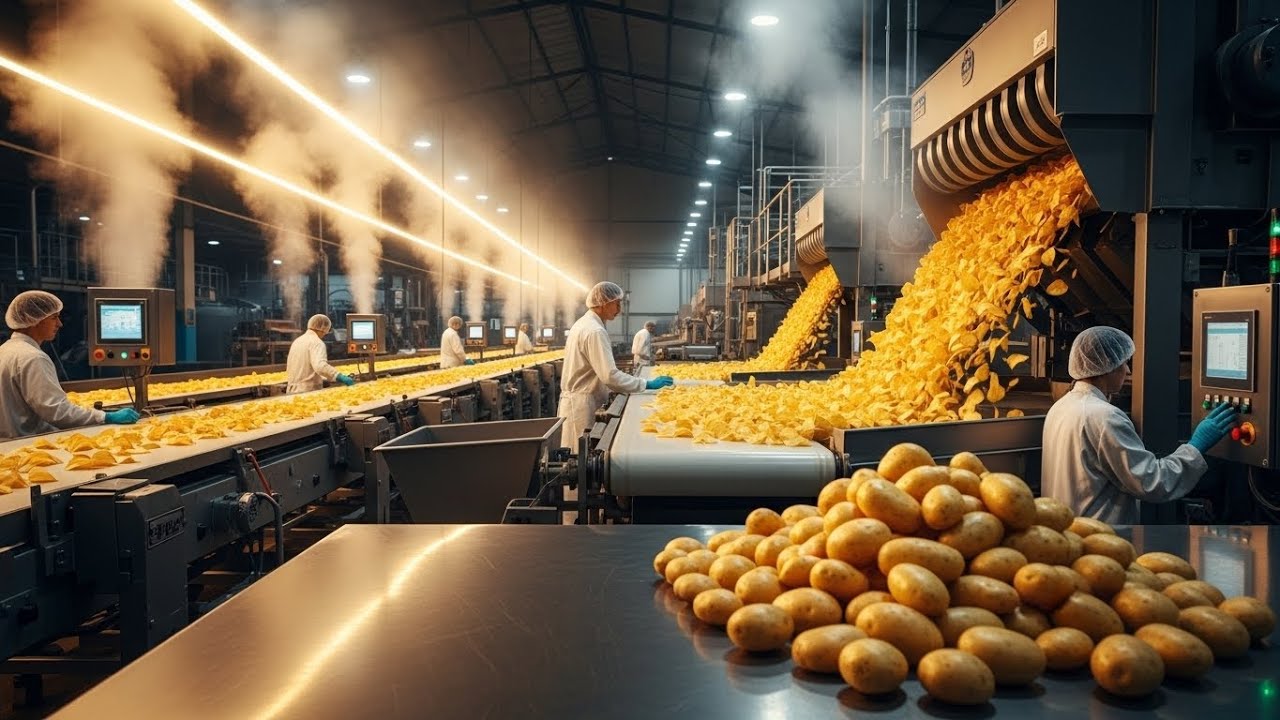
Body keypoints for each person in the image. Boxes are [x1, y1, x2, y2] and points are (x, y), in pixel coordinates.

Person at [1041, 326, 1238, 525]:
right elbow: (1152, 482)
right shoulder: (1105, 417)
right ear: (1108, 367)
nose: (1128, 370)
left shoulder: (1061, 407)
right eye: (1124, 363)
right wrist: (1195, 447)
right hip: (1098, 535)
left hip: (1066, 529)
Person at [0, 290, 139, 439]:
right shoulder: (33, 358)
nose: (59, 324)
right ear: (35, 321)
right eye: (54, 318)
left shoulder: (5, 350)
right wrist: (104, 417)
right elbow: (57, 412)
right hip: (27, 445)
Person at [558, 282, 673, 447]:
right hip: (582, 405)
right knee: (581, 460)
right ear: (604, 303)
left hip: (579, 399)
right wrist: (646, 384)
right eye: (616, 303)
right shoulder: (595, 331)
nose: (619, 309)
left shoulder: (584, 324)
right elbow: (610, 375)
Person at [285, 314, 354, 394]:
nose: (324, 335)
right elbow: (320, 366)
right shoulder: (317, 342)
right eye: (325, 332)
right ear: (323, 329)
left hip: (291, 390)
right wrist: (339, 376)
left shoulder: (297, 341)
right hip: (307, 391)